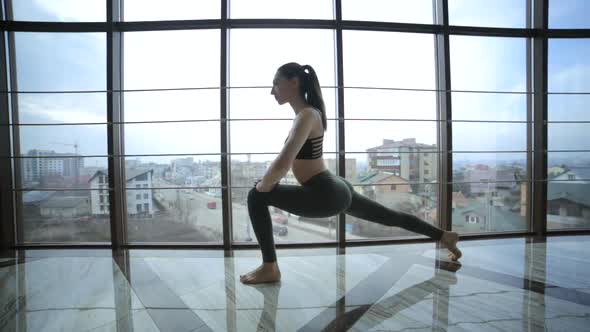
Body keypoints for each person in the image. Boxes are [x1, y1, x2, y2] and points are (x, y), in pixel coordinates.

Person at [240, 62, 461, 284]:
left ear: (294, 82)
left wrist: (261, 187)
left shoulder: (306, 115)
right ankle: (444, 236)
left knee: (255, 196)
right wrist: (266, 183)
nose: (272, 91)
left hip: (325, 192)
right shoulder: (310, 114)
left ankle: (270, 268)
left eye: (276, 84)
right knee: (389, 216)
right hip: (334, 186)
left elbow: (282, 163)